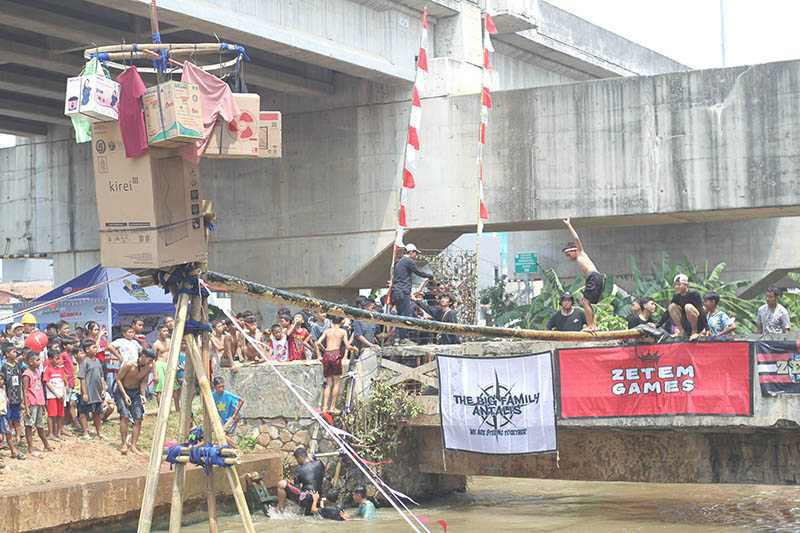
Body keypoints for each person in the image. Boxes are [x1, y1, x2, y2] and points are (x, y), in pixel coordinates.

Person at [561, 218, 604, 331]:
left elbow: (576, 238)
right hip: (595, 278)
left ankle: (591, 326)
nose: (568, 256)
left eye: (568, 253)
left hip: (594, 277)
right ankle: (593, 325)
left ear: (574, 250)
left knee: (585, 302)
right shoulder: (580, 259)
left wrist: (569, 225)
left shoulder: (580, 254)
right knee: (586, 302)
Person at [391, 244, 434, 343]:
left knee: (400, 314)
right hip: (403, 291)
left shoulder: (398, 262)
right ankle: (403, 338)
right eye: (415, 253)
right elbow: (418, 272)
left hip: (397, 291)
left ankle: (398, 338)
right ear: (410, 252)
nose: (416, 255)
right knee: (405, 314)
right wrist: (429, 276)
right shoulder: (408, 261)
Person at [115, 349, 155, 455]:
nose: (150, 363)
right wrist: (125, 395)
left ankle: (133, 445)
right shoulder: (129, 364)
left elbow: (143, 381)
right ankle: (124, 444)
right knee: (125, 416)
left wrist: (143, 394)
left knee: (138, 418)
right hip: (122, 390)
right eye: (149, 360)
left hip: (135, 392)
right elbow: (118, 379)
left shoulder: (148, 367)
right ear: (143, 356)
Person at [315, 316, 355, 414]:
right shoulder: (343, 332)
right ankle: (332, 407)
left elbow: (317, 343)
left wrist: (319, 355)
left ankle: (324, 407)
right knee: (336, 382)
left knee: (328, 383)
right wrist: (354, 349)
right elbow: (347, 346)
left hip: (327, 354)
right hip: (336, 354)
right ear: (341, 322)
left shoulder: (327, 331)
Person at [276, 446, 325, 515]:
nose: (297, 462)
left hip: (307, 499)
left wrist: (289, 482)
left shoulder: (299, 470)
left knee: (281, 484)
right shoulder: (320, 464)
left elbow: (297, 486)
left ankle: (280, 511)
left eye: (297, 459)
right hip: (318, 497)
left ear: (300, 457)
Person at [22, 350, 52, 454]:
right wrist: (26, 407)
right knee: (29, 425)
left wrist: (43, 404)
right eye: (37, 360)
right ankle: (30, 447)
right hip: (32, 403)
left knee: (40, 425)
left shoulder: (38, 372)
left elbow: (39, 388)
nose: (39, 361)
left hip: (39, 402)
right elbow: (25, 391)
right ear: (30, 362)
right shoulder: (27, 374)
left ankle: (46, 444)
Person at [77, 339, 107, 439]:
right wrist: (84, 393)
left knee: (97, 413)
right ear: (87, 350)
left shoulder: (98, 361)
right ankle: (85, 432)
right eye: (93, 347)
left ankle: (99, 432)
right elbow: (82, 378)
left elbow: (101, 376)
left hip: (97, 392)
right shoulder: (84, 362)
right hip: (88, 392)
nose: (96, 349)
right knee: (83, 412)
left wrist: (103, 388)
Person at [667, 274, 707, 339]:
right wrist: (657, 325)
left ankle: (694, 332)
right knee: (671, 307)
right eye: (675, 285)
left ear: (686, 285)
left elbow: (701, 310)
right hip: (685, 324)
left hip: (698, 324)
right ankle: (682, 331)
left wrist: (706, 328)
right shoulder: (676, 296)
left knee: (688, 307)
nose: (677, 287)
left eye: (679, 285)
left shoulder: (694, 294)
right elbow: (668, 312)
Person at [1, 343, 24, 454]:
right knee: (9, 419)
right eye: (13, 352)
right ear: (7, 354)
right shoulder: (4, 367)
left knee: (17, 417)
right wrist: (6, 396)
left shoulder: (18, 365)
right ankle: (8, 438)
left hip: (17, 396)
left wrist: (22, 396)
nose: (16, 353)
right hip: (9, 396)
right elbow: (3, 383)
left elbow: (20, 381)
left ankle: (18, 437)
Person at [43, 348, 66, 441]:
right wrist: (56, 393)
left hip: (61, 395)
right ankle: (51, 433)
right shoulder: (48, 370)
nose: (58, 361)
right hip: (52, 396)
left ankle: (58, 432)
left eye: (59, 358)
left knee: (60, 414)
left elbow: (64, 381)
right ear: (50, 359)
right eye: (56, 358)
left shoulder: (60, 370)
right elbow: (47, 383)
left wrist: (64, 392)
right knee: (52, 415)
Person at [212, 376, 243, 447]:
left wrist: (235, 415)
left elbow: (241, 400)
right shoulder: (213, 395)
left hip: (232, 418)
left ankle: (236, 448)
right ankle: (233, 448)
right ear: (215, 387)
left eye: (223, 386)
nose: (221, 389)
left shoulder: (227, 394)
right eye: (219, 387)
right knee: (222, 435)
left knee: (221, 434)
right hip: (224, 419)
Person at [0, 374, 21, 461]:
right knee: (5, 435)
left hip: (3, 415)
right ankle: (12, 451)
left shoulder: (3, 390)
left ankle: (13, 451)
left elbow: (6, 403)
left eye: (2, 379)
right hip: (1, 415)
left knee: (7, 433)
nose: (1, 381)